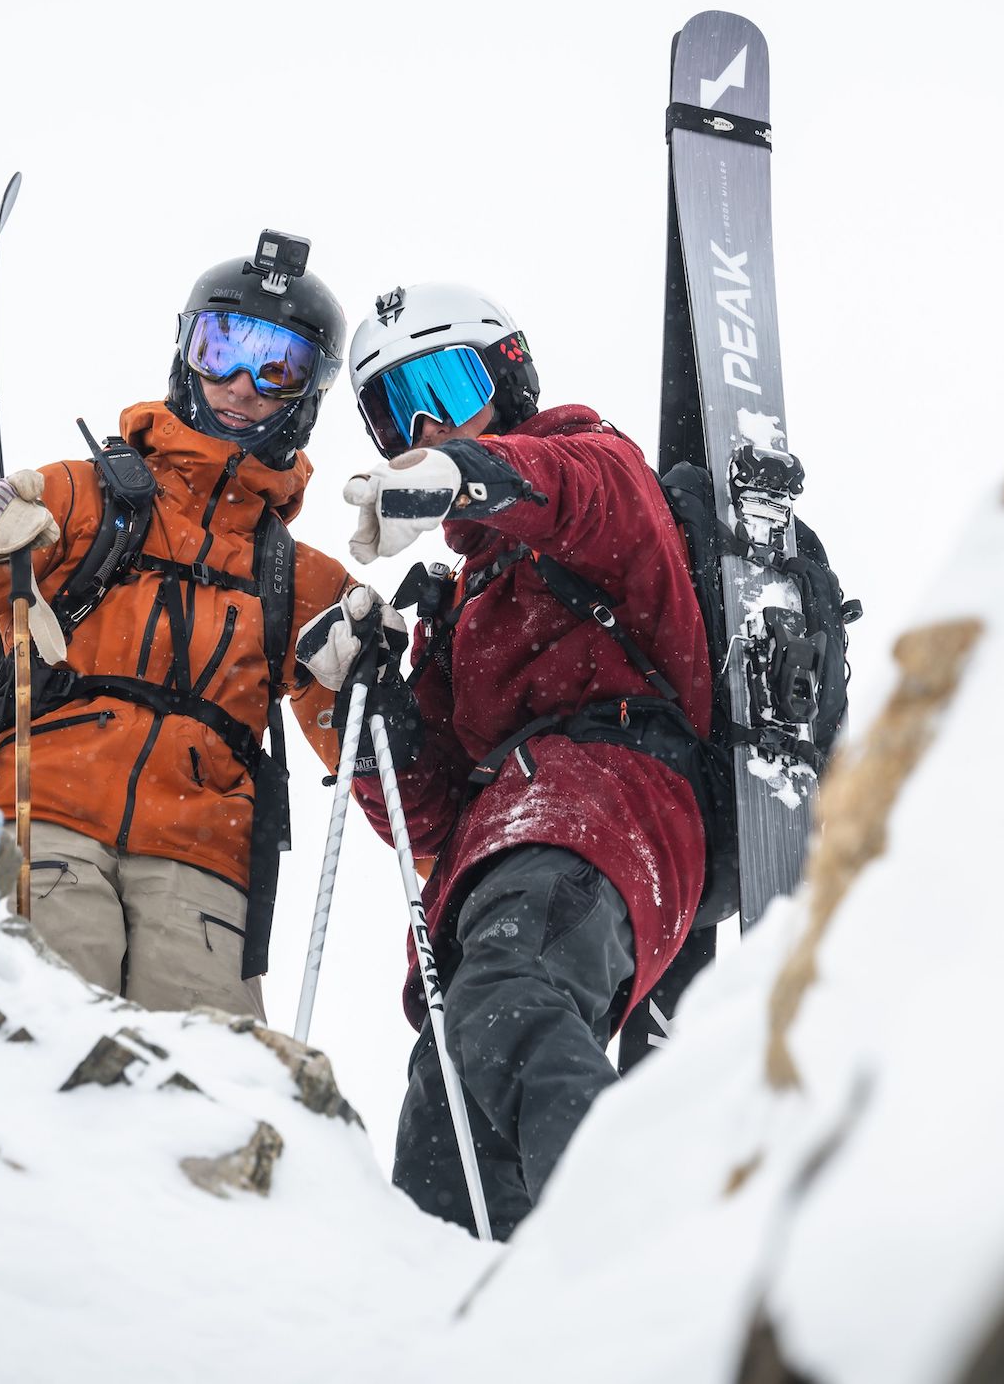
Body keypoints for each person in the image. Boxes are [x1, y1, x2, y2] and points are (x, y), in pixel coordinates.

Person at [297, 282, 712, 1236]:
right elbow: (433, 815)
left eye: (448, 383)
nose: (430, 423)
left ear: (512, 376)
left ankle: (626, 1251)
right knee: (448, 1108)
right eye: (399, 411)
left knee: (505, 999)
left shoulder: (595, 468)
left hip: (611, 805)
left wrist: (464, 473)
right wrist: (372, 704)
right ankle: (483, 1318)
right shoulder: (462, 600)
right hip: (497, 860)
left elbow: (570, 489)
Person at [0, 239, 354, 1020]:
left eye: (279, 367)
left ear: (309, 392)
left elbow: (370, 764)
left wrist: (375, 674)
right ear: (186, 349)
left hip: (205, 871)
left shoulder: (302, 580)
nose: (241, 384)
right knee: (46, 1043)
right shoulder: (81, 496)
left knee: (198, 1098)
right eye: (223, 347)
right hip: (48, 815)